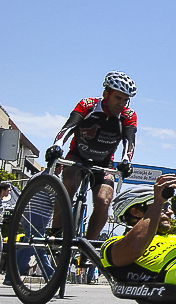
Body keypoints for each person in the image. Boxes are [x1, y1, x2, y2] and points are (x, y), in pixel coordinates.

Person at [47, 72, 140, 239]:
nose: (122, 103)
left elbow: (129, 140)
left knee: (104, 201)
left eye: (126, 100)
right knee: (69, 185)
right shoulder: (88, 105)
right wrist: (57, 145)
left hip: (104, 162)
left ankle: (88, 245)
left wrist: (126, 160)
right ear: (106, 94)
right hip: (77, 156)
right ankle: (56, 235)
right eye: (118, 98)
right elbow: (69, 127)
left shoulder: (128, 115)